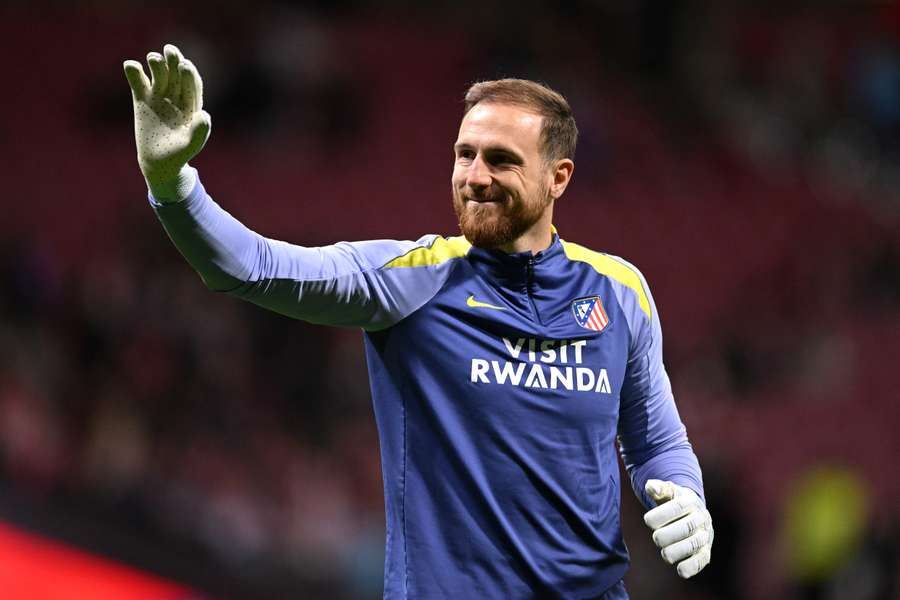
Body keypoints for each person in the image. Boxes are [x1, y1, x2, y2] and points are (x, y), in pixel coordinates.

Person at [124, 44, 714, 600]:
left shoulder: (619, 290)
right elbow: (251, 266)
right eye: (465, 154)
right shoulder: (411, 279)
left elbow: (656, 441)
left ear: (558, 177)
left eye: (502, 160)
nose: (475, 176)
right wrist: (172, 184)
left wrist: (686, 494)